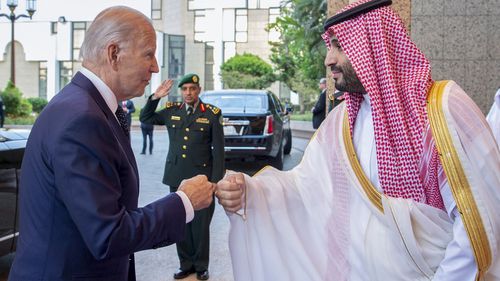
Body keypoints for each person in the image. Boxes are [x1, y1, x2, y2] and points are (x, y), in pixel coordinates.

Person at [215, 0, 500, 280]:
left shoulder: (443, 108)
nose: (329, 60)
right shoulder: (340, 123)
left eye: (339, 45)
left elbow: (479, 219)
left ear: (373, 44)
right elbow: (304, 189)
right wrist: (250, 193)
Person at [8, 7, 215, 281]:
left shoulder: (88, 107)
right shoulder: (80, 118)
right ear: (114, 54)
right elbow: (108, 234)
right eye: (148, 54)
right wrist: (184, 201)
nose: (155, 67)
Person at [140, 73, 225, 280]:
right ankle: (185, 264)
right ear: (181, 91)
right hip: (177, 177)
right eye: (185, 89)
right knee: (181, 223)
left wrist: (214, 181)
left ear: (199, 90)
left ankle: (201, 266)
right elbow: (146, 118)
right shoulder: (172, 111)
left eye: (192, 89)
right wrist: (155, 97)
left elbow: (219, 151)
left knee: (201, 225)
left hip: (202, 179)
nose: (188, 93)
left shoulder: (212, 114)